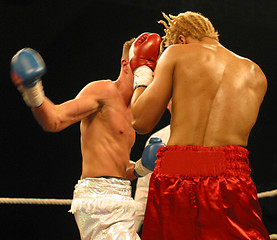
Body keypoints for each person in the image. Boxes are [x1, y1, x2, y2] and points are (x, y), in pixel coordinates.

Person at [130, 11, 270, 240]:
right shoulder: (256, 73)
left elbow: (141, 121)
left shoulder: (176, 53)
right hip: (232, 173)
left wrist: (143, 72)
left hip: (177, 171)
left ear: (181, 39)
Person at [10, 37, 158, 240]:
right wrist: (32, 89)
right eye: (145, 67)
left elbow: (117, 168)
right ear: (126, 65)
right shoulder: (103, 92)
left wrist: (141, 168)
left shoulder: (137, 110)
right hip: (96, 200)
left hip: (122, 198)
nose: (149, 75)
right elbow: (54, 120)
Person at [134, 100, 172, 235]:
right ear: (167, 104)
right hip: (165, 219)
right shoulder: (158, 138)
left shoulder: (209, 137)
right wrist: (133, 229)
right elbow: (144, 188)